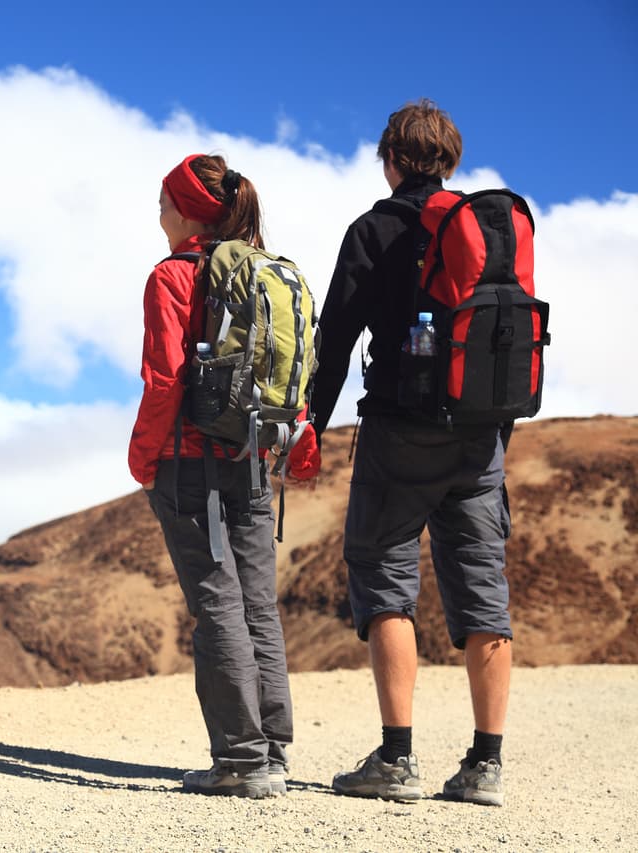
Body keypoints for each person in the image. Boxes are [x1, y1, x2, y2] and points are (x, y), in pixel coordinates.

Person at [307, 99, 512, 807]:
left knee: (385, 578)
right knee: (485, 594)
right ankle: (486, 766)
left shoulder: (374, 230)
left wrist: (308, 425)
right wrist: (496, 435)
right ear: (449, 160)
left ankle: (397, 759)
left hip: (398, 431)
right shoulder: (490, 228)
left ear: (390, 158)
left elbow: (334, 340)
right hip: (480, 435)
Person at [128, 153, 296, 799]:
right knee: (258, 602)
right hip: (251, 454)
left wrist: (143, 456)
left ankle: (240, 759)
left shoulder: (170, 276)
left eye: (166, 201)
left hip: (188, 459)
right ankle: (273, 750)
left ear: (188, 211)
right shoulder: (258, 271)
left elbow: (165, 379)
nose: (160, 212)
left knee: (215, 601)